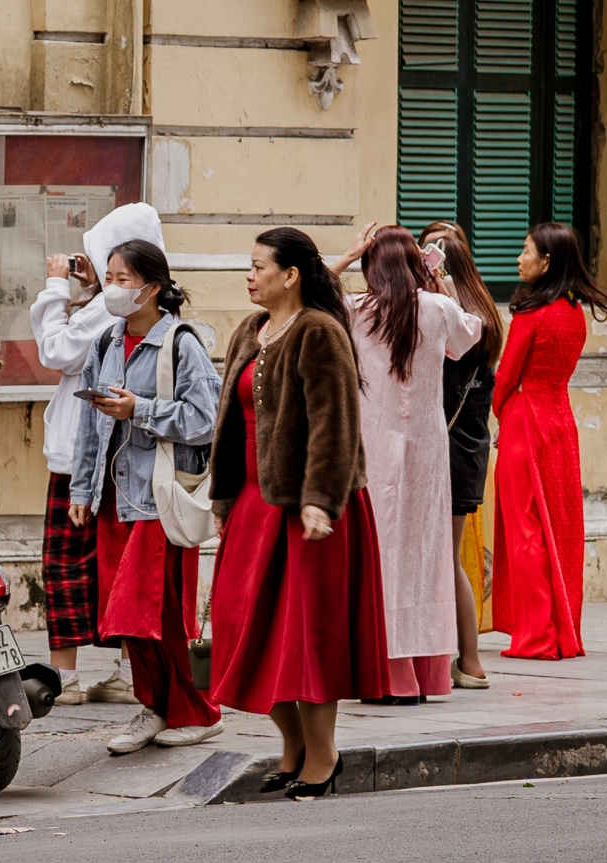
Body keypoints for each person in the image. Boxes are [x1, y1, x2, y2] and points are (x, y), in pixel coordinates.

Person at [208, 226, 390, 801]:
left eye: (259, 266)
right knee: (248, 629)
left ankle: (323, 755)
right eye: (249, 265)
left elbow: (335, 424)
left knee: (305, 637)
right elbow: (227, 423)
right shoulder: (249, 330)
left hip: (308, 508)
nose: (249, 275)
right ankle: (291, 748)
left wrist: (319, 499)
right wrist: (222, 498)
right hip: (251, 506)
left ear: (290, 275)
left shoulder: (319, 331)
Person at [68, 239, 223, 753]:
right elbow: (88, 426)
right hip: (117, 500)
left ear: (152, 288)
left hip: (159, 500)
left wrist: (142, 409)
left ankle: (197, 711)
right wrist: (82, 490)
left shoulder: (182, 343)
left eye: (122, 279)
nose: (111, 288)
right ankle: (154, 707)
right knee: (128, 618)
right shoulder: (107, 344)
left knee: (159, 614)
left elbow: (205, 421)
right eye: (108, 277)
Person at [331, 225, 481, 702]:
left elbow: (308, 293)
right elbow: (469, 336)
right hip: (426, 451)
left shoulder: (356, 311)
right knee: (422, 557)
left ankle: (383, 672)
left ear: (371, 267)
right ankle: (420, 674)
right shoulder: (437, 310)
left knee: (378, 557)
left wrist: (345, 255)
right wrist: (438, 282)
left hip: (372, 447)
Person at [29, 203, 165, 706]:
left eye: (115, 270)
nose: (107, 280)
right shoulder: (125, 311)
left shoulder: (106, 313)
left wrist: (54, 289)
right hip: (113, 456)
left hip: (81, 458)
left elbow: (56, 351)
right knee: (113, 566)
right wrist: (87, 292)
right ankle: (117, 669)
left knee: (66, 562)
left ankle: (64, 675)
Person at [492, 223, 607, 660]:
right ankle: (560, 631)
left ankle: (535, 635)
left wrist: (500, 412)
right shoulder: (572, 314)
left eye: (526, 251)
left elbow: (506, 376)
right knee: (557, 528)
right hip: (561, 423)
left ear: (546, 262)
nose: (518, 258)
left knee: (526, 529)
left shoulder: (531, 314)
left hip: (525, 421)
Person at [419, 221, 504, 689]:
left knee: (443, 558)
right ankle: (465, 659)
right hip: (470, 446)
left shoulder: (452, 316)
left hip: (447, 448)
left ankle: (469, 661)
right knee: (446, 557)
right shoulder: (484, 311)